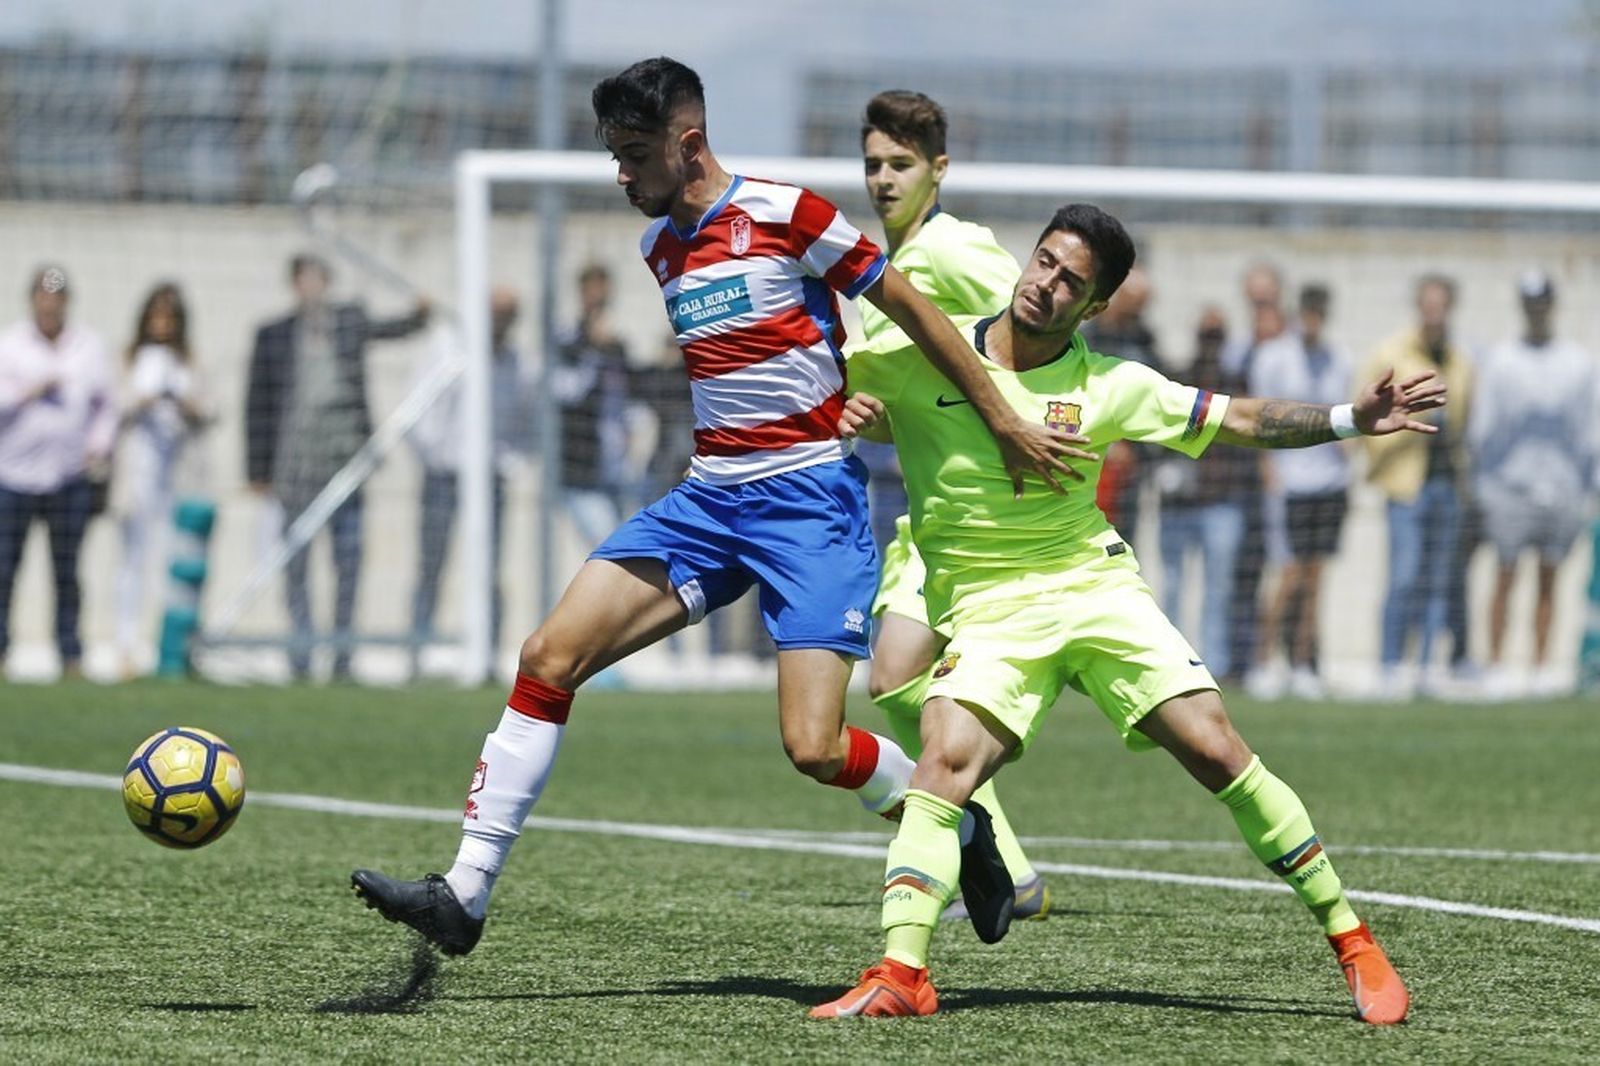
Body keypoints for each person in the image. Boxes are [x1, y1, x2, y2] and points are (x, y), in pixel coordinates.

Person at [349, 56, 1076, 956]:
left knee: (812, 747)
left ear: (686, 143)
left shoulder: (790, 214)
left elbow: (911, 308)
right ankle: (464, 892)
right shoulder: (660, 247)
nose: (621, 175)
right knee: (548, 655)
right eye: (613, 155)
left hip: (810, 505)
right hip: (706, 502)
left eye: (632, 155)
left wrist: (1001, 416)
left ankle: (966, 830)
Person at [811, 204, 1441, 1024]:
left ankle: (1351, 940)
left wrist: (1353, 419)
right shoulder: (925, 349)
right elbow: (822, 387)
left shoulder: (1109, 386)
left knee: (1218, 749)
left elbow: (1239, 420)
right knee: (943, 765)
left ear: (1095, 307)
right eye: (1044, 262)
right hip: (991, 611)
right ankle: (902, 973)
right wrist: (853, 412)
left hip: (1094, 590)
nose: (1047, 284)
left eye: (1072, 281)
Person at [853, 88, 1048, 921]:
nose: (883, 180)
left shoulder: (959, 250)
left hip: (989, 517)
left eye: (901, 165)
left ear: (939, 169)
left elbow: (1038, 339)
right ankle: (997, 857)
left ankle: (986, 850)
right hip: (927, 511)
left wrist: (1025, 434)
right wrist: (873, 414)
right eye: (872, 165)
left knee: (898, 677)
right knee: (892, 680)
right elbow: (920, 401)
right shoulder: (871, 267)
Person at [245, 253, 430, 681]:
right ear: (295, 284)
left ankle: (342, 656)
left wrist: (419, 313)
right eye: (305, 279)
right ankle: (301, 655)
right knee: (297, 567)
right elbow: (256, 403)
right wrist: (258, 470)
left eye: (319, 279)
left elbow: (392, 329)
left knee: (348, 560)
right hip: (295, 467)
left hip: (345, 466)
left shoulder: (348, 322)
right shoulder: (274, 334)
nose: (313, 287)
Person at [1470, 271, 1597, 698]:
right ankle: (1496, 666)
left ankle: (1541, 666)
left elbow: (1588, 430)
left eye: (1542, 302)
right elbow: (1483, 429)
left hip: (1561, 489)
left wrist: (1588, 485)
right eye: (1530, 303)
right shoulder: (1502, 359)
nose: (1536, 310)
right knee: (1504, 575)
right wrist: (1485, 485)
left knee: (1550, 576)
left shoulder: (1577, 363)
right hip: (1510, 487)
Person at [0, 265, 118, 678]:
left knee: (67, 572)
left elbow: (106, 405)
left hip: (69, 478)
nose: (50, 304)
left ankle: (70, 655)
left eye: (58, 296)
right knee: (3, 570)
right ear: (32, 299)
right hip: (13, 478)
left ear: (67, 301)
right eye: (43, 296)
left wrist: (98, 447)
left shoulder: (87, 346)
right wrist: (28, 391)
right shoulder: (10, 345)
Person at [1363, 274, 1473, 699]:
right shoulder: (1391, 353)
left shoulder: (1462, 360)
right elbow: (1365, 415)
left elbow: (1465, 419)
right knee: (1404, 575)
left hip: (1447, 484)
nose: (1434, 313)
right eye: (1428, 304)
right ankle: (1390, 665)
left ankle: (1428, 665)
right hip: (1406, 485)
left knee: (1439, 578)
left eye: (1441, 305)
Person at [407, 287, 526, 676]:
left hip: (489, 478)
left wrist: (508, 461)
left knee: (490, 571)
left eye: (509, 314)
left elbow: (522, 420)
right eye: (496, 312)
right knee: (431, 567)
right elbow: (421, 412)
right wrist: (436, 459)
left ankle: (487, 657)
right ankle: (417, 654)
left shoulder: (514, 362)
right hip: (444, 474)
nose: (502, 322)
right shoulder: (448, 347)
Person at [1245, 284, 1352, 700]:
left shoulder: (1338, 357)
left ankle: (1304, 663)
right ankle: (1262, 661)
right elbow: (1255, 417)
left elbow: (1344, 417)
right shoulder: (1274, 357)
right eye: (1308, 311)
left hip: (1329, 483)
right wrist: (1268, 469)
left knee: (1315, 577)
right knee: (1287, 576)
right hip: (1289, 483)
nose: (1313, 319)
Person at [114, 282, 211, 679]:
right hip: (137, 476)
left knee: (176, 564)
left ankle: (171, 648)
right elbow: (115, 404)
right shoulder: (130, 357)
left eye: (169, 317)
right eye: (156, 315)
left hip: (178, 478)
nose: (162, 324)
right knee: (133, 560)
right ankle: (127, 645)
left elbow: (210, 409)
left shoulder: (189, 361)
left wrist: (185, 402)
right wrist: (144, 398)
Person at [1154, 306, 1251, 681]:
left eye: (1216, 337)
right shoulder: (1180, 379)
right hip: (1178, 504)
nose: (1210, 345)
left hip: (1221, 503)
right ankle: (1173, 665)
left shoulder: (1234, 381)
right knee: (1174, 585)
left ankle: (1215, 665)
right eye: (1206, 336)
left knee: (1218, 588)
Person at [1222, 262, 1287, 685]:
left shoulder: (1292, 353)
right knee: (1243, 575)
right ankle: (1243, 661)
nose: (1259, 306)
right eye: (1254, 298)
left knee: (1294, 572)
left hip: (1286, 482)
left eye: (1266, 298)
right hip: (1241, 485)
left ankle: (1291, 661)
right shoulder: (1236, 351)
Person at [553, 264, 634, 550]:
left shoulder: (617, 346)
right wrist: (591, 343)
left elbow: (627, 400)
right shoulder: (567, 341)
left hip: (615, 469)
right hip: (580, 472)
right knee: (612, 547)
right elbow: (566, 392)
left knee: (625, 546)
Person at [1082, 266, 1159, 548]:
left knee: (1122, 543)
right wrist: (1112, 444)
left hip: (1130, 468)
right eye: (1134, 303)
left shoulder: (1144, 340)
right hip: (1093, 458)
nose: (1139, 311)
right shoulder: (1087, 340)